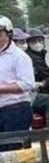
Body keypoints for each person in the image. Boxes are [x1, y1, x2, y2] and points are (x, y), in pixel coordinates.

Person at [0, 16, 35, 144]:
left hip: (15, 110)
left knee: (13, 150)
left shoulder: (19, 56)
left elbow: (27, 84)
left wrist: (1, 89)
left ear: (9, 34)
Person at [25, 28, 49, 122]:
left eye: (40, 40)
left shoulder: (38, 55)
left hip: (35, 90)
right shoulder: (33, 57)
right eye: (33, 41)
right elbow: (47, 73)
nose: (37, 44)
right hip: (31, 93)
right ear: (28, 43)